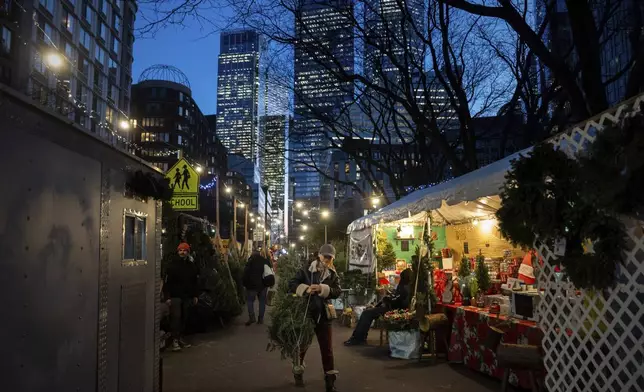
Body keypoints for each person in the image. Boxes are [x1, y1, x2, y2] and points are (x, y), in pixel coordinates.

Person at [289, 244, 342, 392]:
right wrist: (306, 289)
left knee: (327, 349)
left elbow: (337, 291)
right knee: (302, 345)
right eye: (324, 256)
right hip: (306, 313)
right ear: (319, 255)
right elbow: (292, 283)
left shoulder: (332, 273)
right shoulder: (306, 269)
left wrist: (323, 289)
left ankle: (330, 381)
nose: (326, 260)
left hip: (324, 316)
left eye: (330, 258)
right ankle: (298, 371)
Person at [344, 268, 413, 346]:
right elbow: (398, 299)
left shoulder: (404, 287)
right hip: (396, 308)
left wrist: (387, 299)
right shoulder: (408, 286)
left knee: (367, 313)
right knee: (368, 312)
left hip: (394, 310)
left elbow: (398, 301)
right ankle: (359, 337)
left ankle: (358, 338)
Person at [163, 242, 200, 352]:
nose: (182, 252)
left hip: (187, 296)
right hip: (175, 296)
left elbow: (194, 281)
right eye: (180, 250)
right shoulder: (172, 265)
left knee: (184, 317)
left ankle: (179, 338)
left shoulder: (191, 266)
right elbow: (167, 282)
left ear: (188, 252)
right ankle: (175, 339)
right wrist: (167, 297)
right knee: (176, 318)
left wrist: (195, 295)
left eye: (184, 250)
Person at [243, 248, 272, 326]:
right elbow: (270, 272)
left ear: (252, 254)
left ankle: (252, 317)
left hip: (251, 286)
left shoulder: (250, 262)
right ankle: (260, 319)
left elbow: (245, 274)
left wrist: (244, 284)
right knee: (262, 302)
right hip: (263, 285)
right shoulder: (265, 261)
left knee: (250, 301)